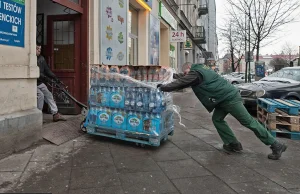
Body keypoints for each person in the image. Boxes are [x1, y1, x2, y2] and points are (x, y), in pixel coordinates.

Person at [158, 63, 287, 160]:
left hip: (229, 98)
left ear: (189, 68)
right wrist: (168, 74)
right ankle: (233, 144)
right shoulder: (200, 70)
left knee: (248, 121)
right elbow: (182, 77)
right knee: (217, 119)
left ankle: (275, 145)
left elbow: (182, 82)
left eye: (186, 71)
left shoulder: (195, 73)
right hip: (222, 98)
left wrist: (163, 87)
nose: (186, 74)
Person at [36, 42, 66, 122]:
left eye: (40, 49)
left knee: (48, 95)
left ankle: (55, 114)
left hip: (39, 83)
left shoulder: (41, 58)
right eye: (37, 49)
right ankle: (38, 117)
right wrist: (46, 78)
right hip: (32, 83)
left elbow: (47, 70)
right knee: (41, 96)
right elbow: (37, 73)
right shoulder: (31, 59)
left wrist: (55, 78)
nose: (39, 50)